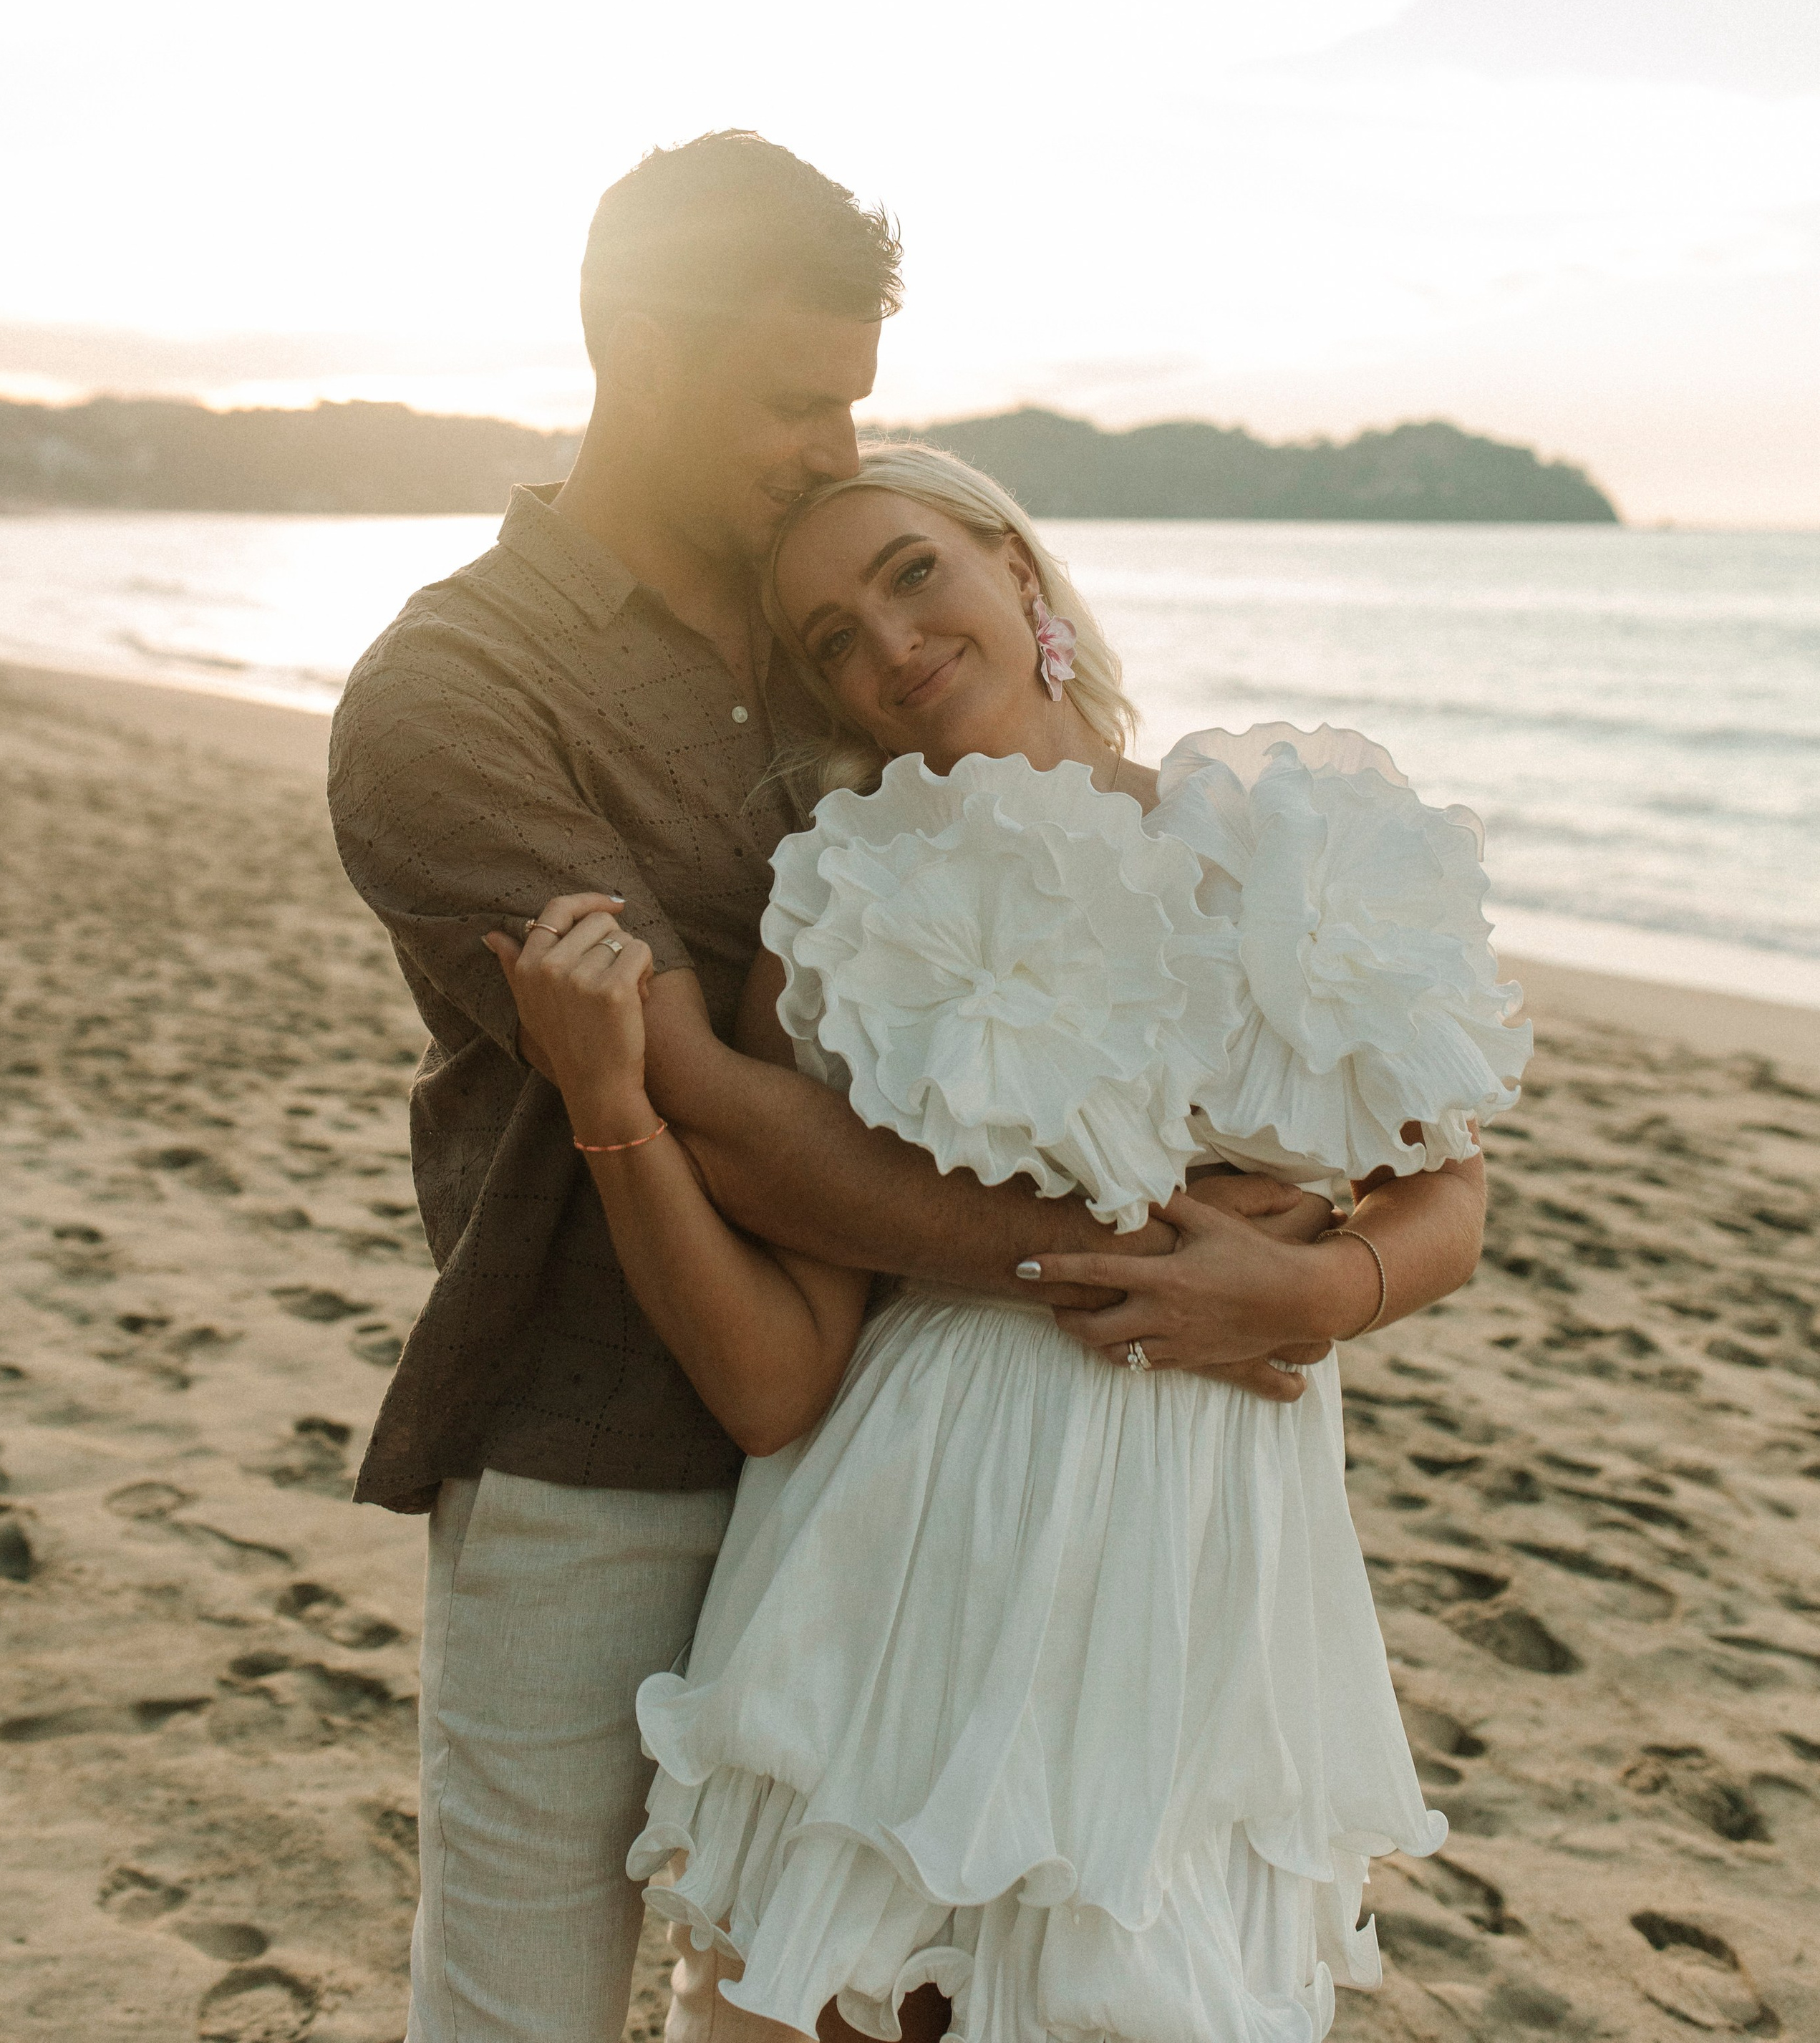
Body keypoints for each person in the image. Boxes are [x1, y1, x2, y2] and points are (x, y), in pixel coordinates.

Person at [328, 136, 1336, 2043]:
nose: (826, 443)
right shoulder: (453, 693)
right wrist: (1157, 1256)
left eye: (851, 402)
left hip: (915, 1467)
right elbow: (694, 1096)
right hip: (600, 1444)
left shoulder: (833, 638)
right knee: (525, 2005)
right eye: (791, 400)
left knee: (843, 1999)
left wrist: (1320, 1250)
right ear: (629, 344)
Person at [493, 445, 1521, 2043]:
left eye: (910, 573)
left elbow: (1448, 1192)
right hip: (911, 1568)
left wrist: (1323, 1285)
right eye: (829, 637)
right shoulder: (839, 912)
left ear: (1014, 571)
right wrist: (615, 1110)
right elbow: (773, 1387)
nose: (888, 642)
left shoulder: (1295, 849)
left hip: (1204, 1582)